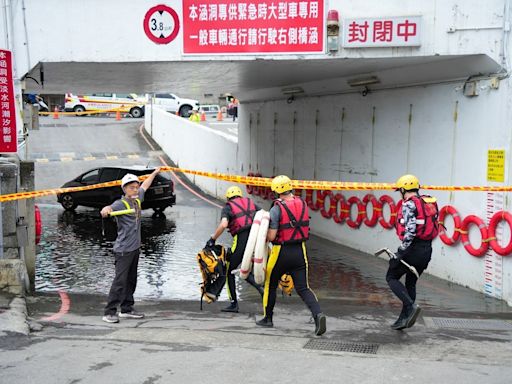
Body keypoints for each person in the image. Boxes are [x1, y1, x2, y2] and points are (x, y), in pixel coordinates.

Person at [256, 175, 326, 336]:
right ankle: (318, 315)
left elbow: (272, 237)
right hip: (300, 251)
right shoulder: (302, 203)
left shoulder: (276, 209)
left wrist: (262, 237)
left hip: (281, 252)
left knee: (270, 284)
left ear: (276, 191)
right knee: (303, 288)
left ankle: (268, 318)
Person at [100, 168, 161, 323]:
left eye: (135, 187)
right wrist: (105, 211)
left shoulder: (137, 199)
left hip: (134, 249)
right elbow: (108, 209)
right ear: (124, 189)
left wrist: (154, 173)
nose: (135, 189)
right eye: (131, 187)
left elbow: (145, 186)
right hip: (123, 250)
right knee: (120, 281)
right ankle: (109, 312)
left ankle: (126, 308)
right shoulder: (120, 204)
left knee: (131, 280)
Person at [387, 174, 438, 330]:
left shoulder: (409, 205)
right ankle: (404, 319)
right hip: (426, 250)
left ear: (403, 189)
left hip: (413, 250)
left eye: (400, 191)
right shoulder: (428, 202)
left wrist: (400, 252)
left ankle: (411, 306)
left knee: (391, 276)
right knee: (411, 283)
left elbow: (410, 231)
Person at [205, 186, 264, 312]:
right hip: (255, 240)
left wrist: (213, 239)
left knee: (229, 271)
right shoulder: (250, 203)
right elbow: (264, 216)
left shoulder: (228, 207)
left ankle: (233, 304)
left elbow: (224, 224)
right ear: (240, 195)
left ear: (228, 198)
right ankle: (261, 290)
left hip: (241, 240)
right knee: (244, 269)